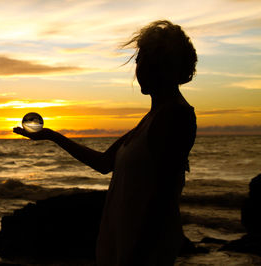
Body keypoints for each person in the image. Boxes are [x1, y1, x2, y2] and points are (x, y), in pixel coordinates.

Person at [13, 20, 197, 266]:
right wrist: (51, 136)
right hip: (125, 243)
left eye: (140, 58)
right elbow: (103, 163)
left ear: (160, 65)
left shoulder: (175, 116)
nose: (137, 66)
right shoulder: (153, 118)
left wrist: (136, 255)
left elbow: (161, 202)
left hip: (144, 251)